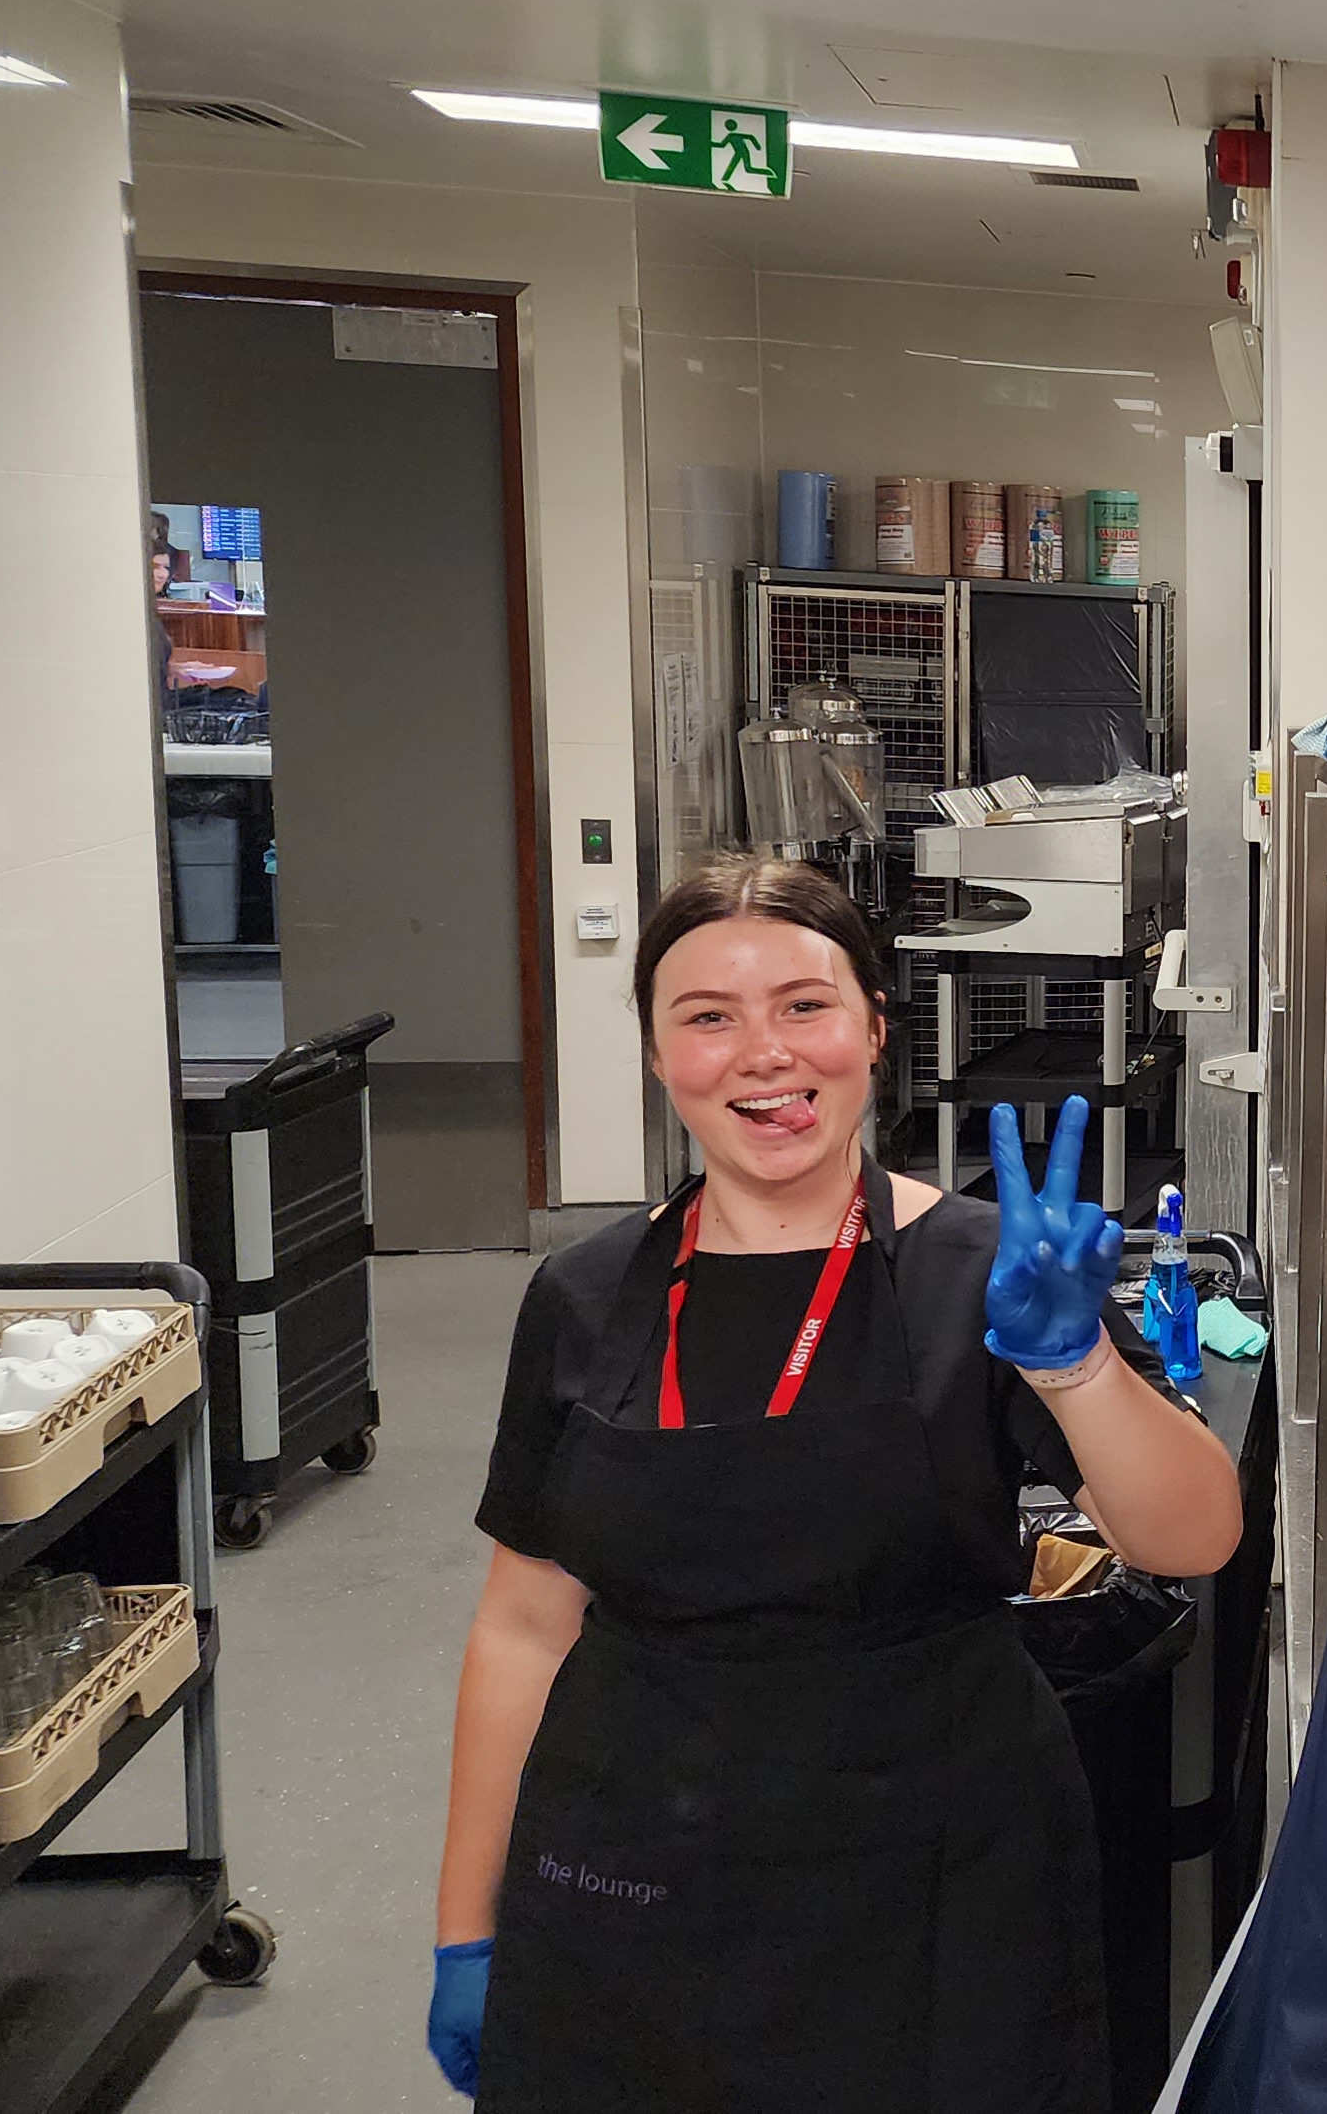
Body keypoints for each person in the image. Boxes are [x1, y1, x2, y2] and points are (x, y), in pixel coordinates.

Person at [426, 854, 1245, 2110]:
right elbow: (525, 1625)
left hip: (937, 1884)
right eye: (708, 1016)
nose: (764, 1052)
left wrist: (1074, 1360)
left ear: (873, 1027)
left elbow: (1191, 1535)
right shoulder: (583, 1295)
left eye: (804, 1005)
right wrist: (466, 1928)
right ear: (658, 1054)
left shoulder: (984, 1271)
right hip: (634, 1876)